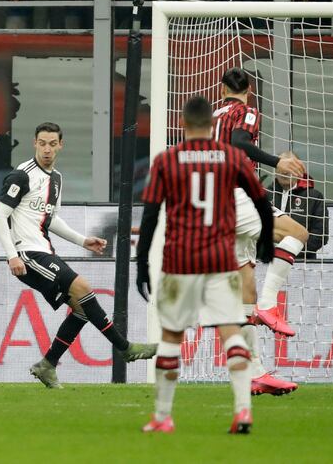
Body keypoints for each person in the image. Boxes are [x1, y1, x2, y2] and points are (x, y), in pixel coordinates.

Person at [135, 96, 274, 434]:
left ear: (183, 124)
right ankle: (243, 412)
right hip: (221, 261)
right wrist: (267, 241)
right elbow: (261, 202)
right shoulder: (231, 158)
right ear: (212, 126)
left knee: (171, 336)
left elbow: (151, 214)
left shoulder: (168, 160)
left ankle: (163, 416)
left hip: (180, 262)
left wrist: (141, 263)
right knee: (231, 332)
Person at [0, 122, 157, 389]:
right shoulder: (21, 175)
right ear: (34, 142)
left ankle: (47, 365)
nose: (47, 149)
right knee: (83, 288)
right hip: (27, 253)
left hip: (43, 250)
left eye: (52, 144)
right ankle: (124, 348)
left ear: (60, 145)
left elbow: (51, 219)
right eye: (42, 143)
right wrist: (12, 255)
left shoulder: (56, 179)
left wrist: (83, 240)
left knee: (81, 308)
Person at [214, 67, 308, 340]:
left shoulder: (212, 118)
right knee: (298, 233)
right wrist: (278, 161)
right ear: (249, 91)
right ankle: (268, 305)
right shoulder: (248, 112)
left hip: (212, 200)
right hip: (236, 195)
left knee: (246, 287)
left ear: (222, 90)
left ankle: (251, 371)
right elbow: (239, 142)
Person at [268, 151, 328, 260]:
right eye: (283, 168)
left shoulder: (314, 197)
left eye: (290, 168)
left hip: (302, 263)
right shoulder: (264, 195)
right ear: (276, 170)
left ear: (299, 170)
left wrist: (288, 253)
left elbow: (320, 236)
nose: (285, 172)